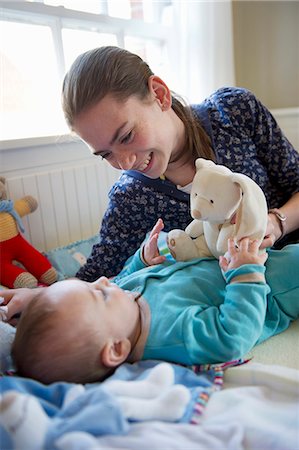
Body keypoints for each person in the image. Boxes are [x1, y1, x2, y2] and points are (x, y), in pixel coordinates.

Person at [60, 45, 299, 281]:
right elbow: (95, 275)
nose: (125, 163)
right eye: (105, 154)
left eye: (127, 136)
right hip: (247, 298)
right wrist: (39, 298)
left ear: (159, 94)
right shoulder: (131, 196)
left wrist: (277, 222)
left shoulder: (233, 112)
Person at [6, 219, 299, 385]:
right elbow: (232, 335)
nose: (103, 281)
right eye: (99, 293)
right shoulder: (172, 336)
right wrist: (245, 274)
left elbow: (122, 277)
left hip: (220, 254)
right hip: (272, 283)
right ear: (117, 348)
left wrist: (142, 259)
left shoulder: (122, 303)